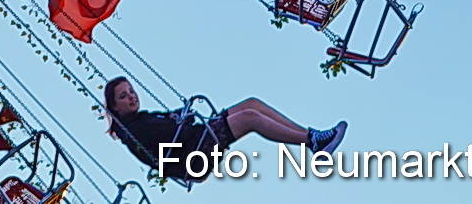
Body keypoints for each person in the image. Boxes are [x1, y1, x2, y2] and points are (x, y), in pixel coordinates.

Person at [103, 77, 345, 183]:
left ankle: (311, 137)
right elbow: (169, 135)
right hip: (191, 155)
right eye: (123, 96)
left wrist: (181, 118)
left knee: (250, 103)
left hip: (194, 142)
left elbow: (170, 123)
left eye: (132, 91)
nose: (132, 97)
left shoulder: (142, 119)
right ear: (115, 107)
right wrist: (184, 120)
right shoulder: (135, 130)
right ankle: (312, 141)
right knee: (249, 118)